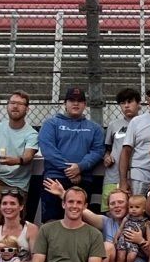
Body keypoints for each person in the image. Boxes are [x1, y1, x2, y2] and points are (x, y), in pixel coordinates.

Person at [36, 86, 106, 223]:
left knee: (80, 222)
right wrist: (70, 170)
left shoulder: (95, 128)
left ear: (85, 104)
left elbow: (98, 150)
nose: (76, 103)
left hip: (83, 179)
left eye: (80, 100)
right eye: (72, 100)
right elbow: (48, 150)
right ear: (65, 103)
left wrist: (80, 167)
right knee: (52, 222)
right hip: (54, 179)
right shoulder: (51, 124)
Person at [0, 93, 39, 230]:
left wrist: (15, 161)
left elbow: (28, 156)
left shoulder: (32, 134)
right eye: (12, 103)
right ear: (7, 105)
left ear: (27, 109)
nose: (15, 106)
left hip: (16, 186)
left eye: (20, 104)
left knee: (11, 228)